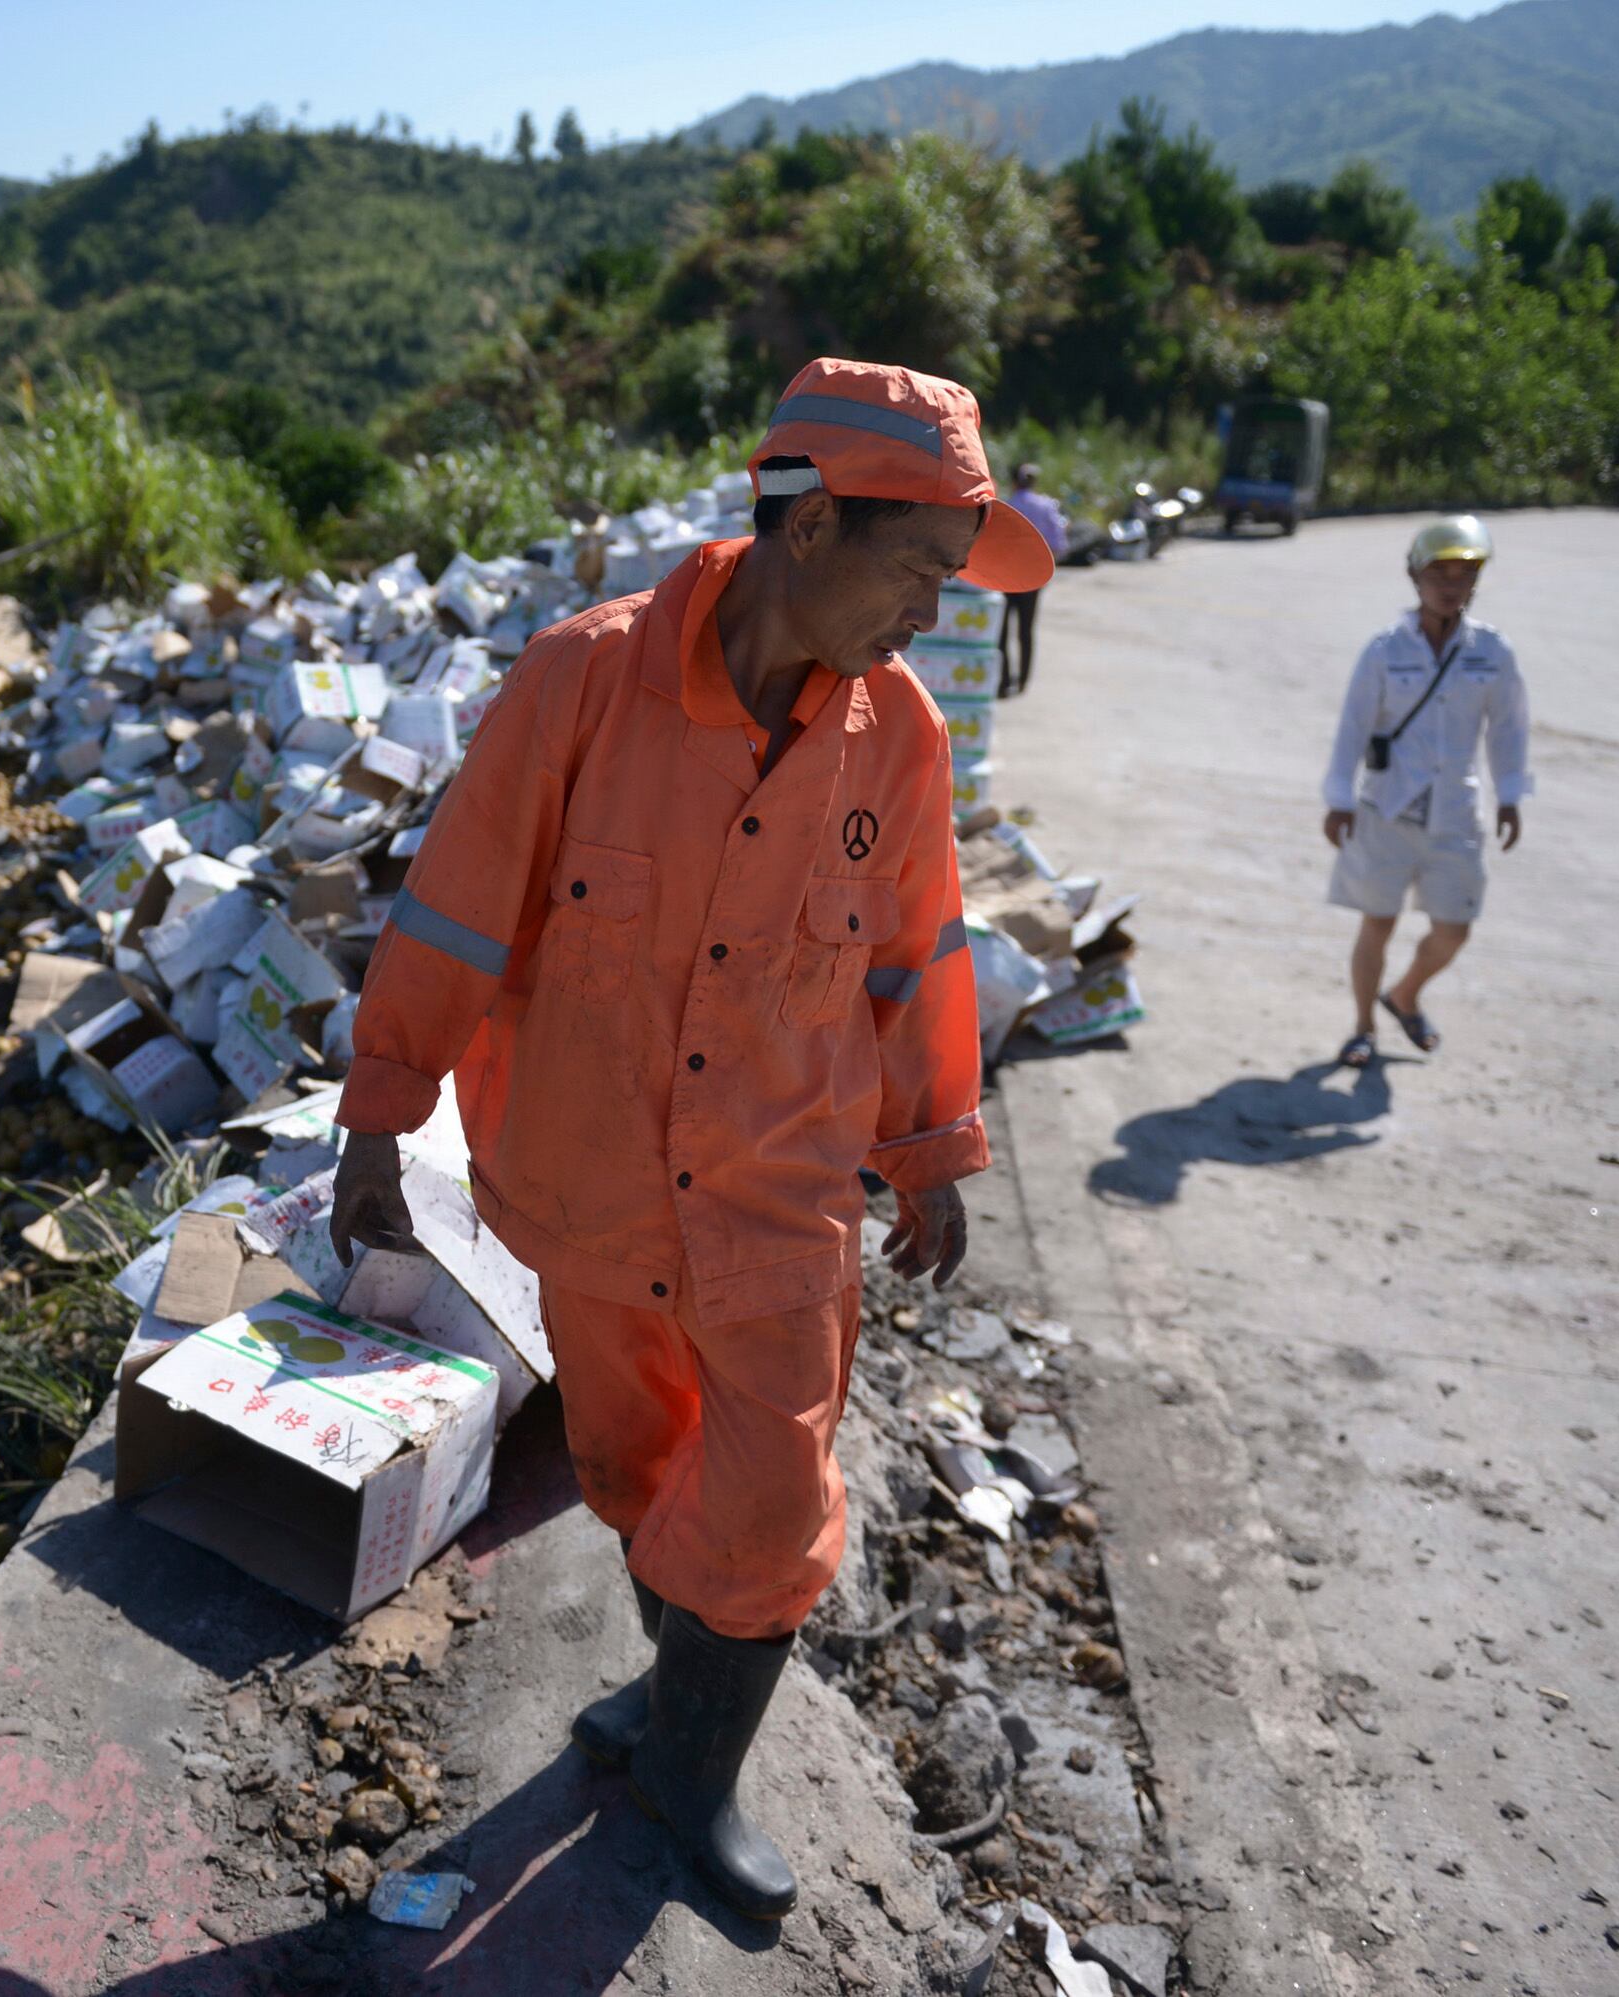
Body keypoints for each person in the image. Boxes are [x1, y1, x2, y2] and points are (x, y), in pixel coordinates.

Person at [327, 359, 1046, 1920]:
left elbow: (918, 953)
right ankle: (667, 1709)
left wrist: (928, 1147)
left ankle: (692, 1780)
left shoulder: (898, 736)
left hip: (779, 1199)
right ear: (809, 527)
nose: (930, 613)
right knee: (632, 1465)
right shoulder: (585, 682)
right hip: (591, 1192)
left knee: (773, 1499)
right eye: (917, 570)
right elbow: (457, 906)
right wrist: (382, 1108)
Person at [1320, 514, 1530, 1068]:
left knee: (1453, 929)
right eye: (1439, 573)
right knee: (1378, 923)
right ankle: (1364, 1026)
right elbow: (1352, 727)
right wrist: (1339, 798)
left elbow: (1508, 727)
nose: (1451, 584)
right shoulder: (1384, 650)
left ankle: (1405, 994)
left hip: (1456, 813)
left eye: (1463, 573)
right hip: (1386, 808)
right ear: (1415, 577)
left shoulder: (1493, 652)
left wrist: (1510, 794)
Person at [996, 462, 1069, 694]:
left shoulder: (1007, 505)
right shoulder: (1046, 506)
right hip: (1034, 577)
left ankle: (1004, 679)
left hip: (1005, 577)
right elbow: (1059, 544)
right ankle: (1024, 680)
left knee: (1002, 630)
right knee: (1026, 631)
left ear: (1015, 481)